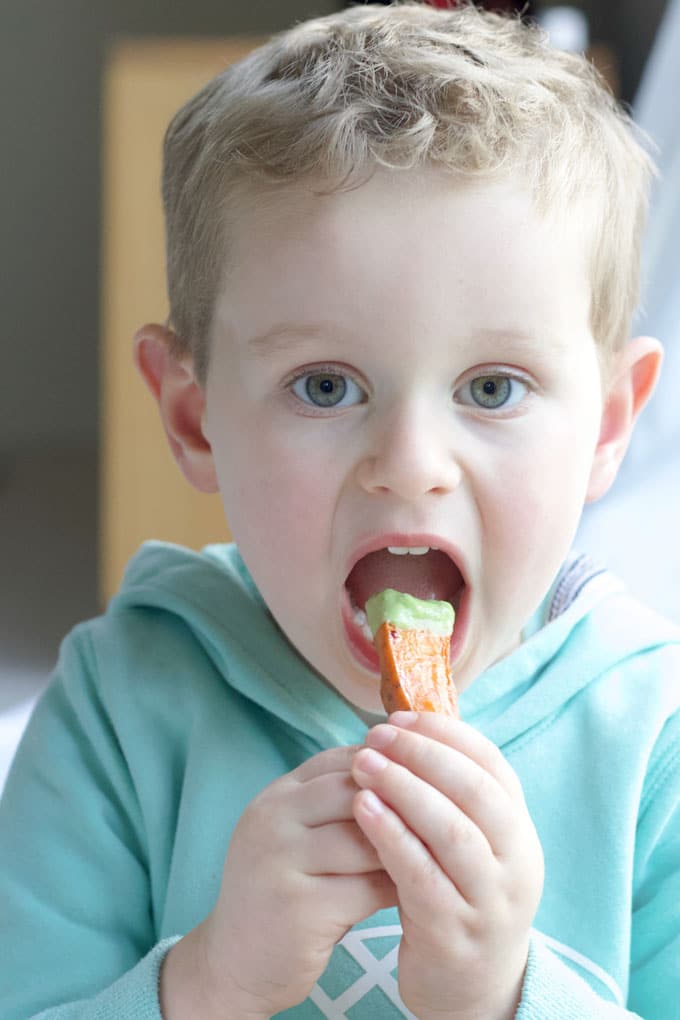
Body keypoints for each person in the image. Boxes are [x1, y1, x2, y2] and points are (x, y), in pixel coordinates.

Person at [1, 3, 678, 1018]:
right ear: (193, 418)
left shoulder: (649, 743)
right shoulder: (121, 704)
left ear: (605, 425)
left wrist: (506, 997)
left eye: (491, 388)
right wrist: (206, 984)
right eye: (324, 386)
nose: (407, 468)